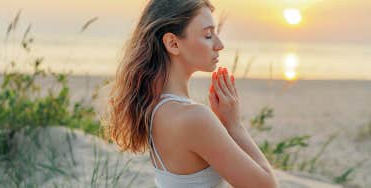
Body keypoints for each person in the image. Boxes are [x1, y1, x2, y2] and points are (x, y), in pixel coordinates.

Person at [107, 0, 277, 187]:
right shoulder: (194, 118)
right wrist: (234, 125)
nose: (219, 45)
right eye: (207, 35)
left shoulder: (154, 108)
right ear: (173, 43)